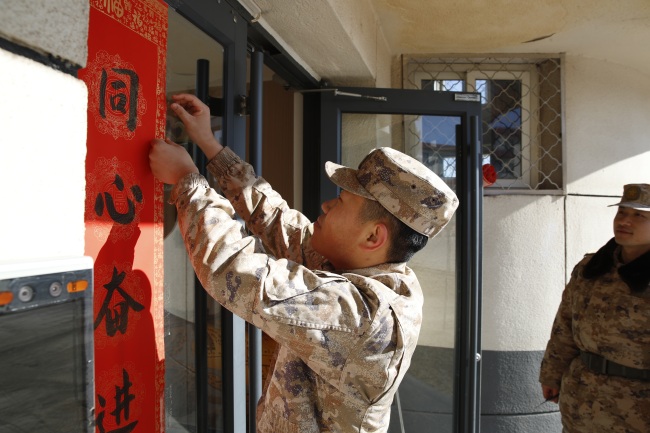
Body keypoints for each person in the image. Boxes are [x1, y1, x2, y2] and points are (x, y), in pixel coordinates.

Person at [149, 93, 458, 433]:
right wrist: (210, 145)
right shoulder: (365, 266)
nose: (325, 206)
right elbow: (282, 225)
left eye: (339, 202)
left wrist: (188, 181)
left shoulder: (364, 315)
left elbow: (233, 271)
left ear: (373, 237)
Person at [539, 183, 650, 432]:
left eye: (639, 215)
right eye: (622, 212)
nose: (625, 221)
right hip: (582, 401)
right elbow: (565, 324)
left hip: (636, 409)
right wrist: (551, 374)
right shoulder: (592, 267)